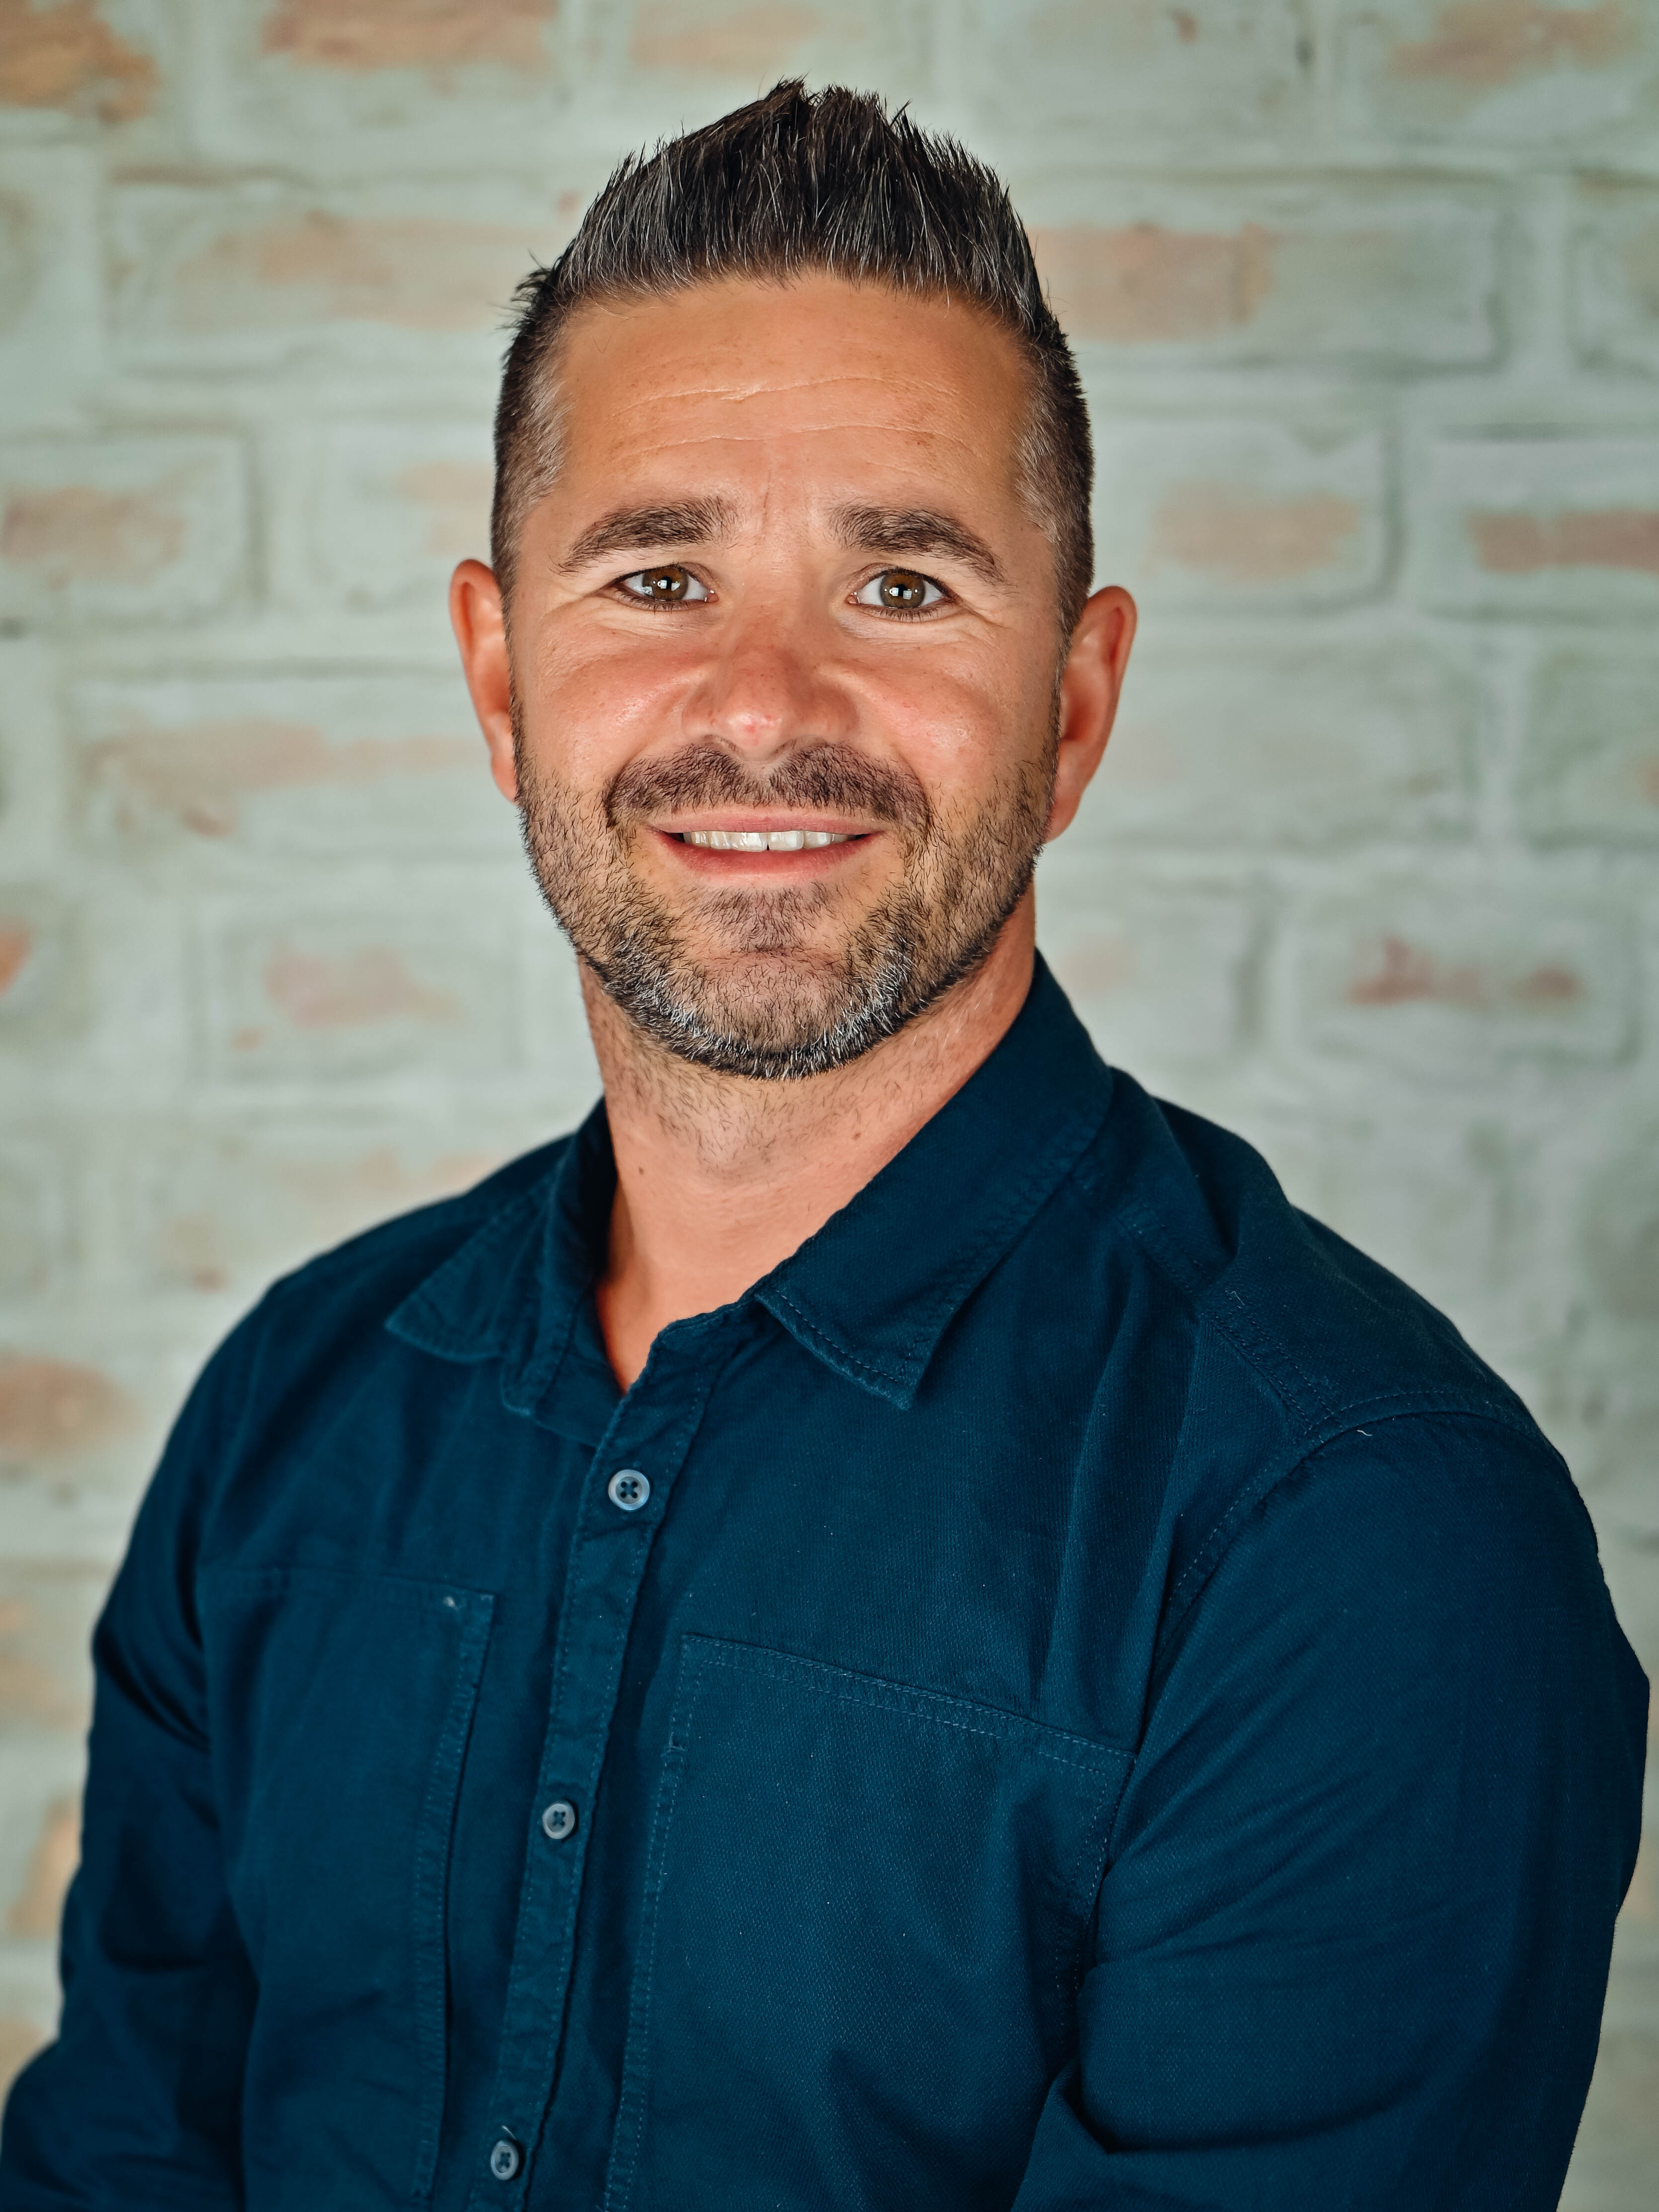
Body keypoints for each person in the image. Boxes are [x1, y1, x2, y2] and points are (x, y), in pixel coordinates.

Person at [0, 82, 1645, 2212]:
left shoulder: (1353, 1541)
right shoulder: (291, 1414)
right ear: (500, 681)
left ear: (1073, 704)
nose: (764, 702)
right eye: (659, 574)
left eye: (899, 583)